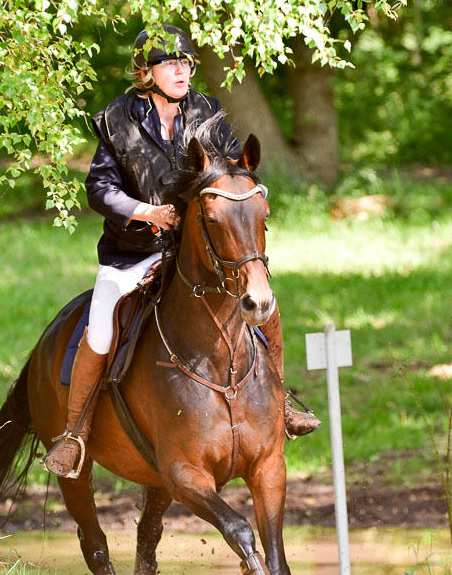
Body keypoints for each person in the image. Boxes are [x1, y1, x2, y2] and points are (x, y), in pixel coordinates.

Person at [43, 25, 320, 479]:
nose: (181, 70)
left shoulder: (206, 112)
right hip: (133, 253)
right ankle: (75, 433)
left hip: (200, 253)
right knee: (98, 330)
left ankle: (281, 405)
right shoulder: (118, 120)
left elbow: (233, 170)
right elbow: (99, 189)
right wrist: (146, 212)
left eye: (186, 62)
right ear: (146, 72)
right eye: (170, 63)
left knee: (266, 311)